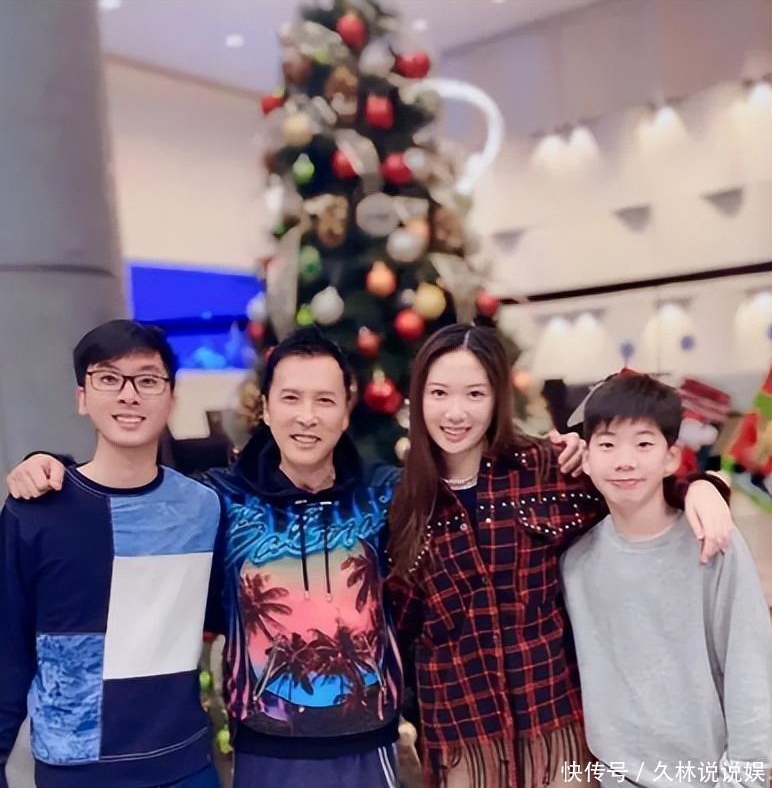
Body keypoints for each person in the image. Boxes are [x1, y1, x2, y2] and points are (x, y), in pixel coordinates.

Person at [6, 328, 407, 788]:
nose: (307, 416)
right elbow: (128, 489)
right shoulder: (220, 499)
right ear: (266, 409)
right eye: (291, 398)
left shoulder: (386, 494)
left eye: (325, 400)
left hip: (367, 742)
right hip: (263, 744)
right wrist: (49, 463)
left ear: (346, 410)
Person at [385, 323, 734, 788]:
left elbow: (637, 487)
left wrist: (701, 487)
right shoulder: (401, 502)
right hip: (463, 747)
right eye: (439, 393)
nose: (455, 412)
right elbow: (399, 630)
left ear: (498, 397)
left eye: (475, 394)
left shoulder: (547, 468)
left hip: (559, 730)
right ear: (418, 398)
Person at [0, 320, 221, 788]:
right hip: (74, 768)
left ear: (172, 397)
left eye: (147, 380)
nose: (128, 395)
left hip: (183, 764)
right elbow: (8, 647)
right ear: (82, 397)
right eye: (108, 378)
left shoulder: (202, 508)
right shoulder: (35, 511)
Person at [560, 372, 771, 788]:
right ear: (586, 458)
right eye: (607, 444)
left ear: (672, 457)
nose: (624, 461)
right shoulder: (575, 562)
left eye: (643, 444)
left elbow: (751, 672)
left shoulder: (712, 542)